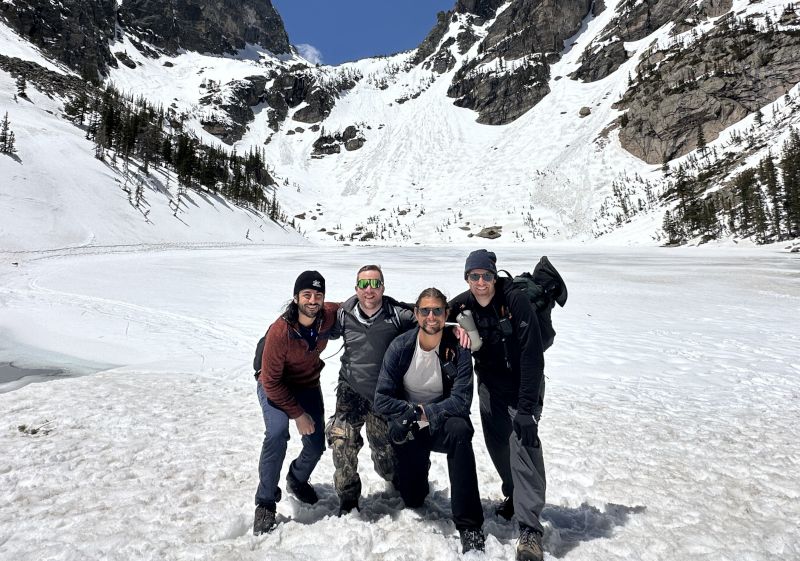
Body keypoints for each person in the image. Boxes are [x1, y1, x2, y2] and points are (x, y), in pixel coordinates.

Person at [449, 250, 547, 561]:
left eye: (486, 276)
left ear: (495, 276)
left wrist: (528, 408)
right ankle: (515, 494)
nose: (481, 282)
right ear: (467, 278)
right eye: (474, 276)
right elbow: (430, 313)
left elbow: (532, 353)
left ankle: (530, 529)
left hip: (522, 384)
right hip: (490, 386)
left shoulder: (513, 300)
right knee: (497, 445)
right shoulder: (462, 303)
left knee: (523, 446)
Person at [374, 288, 485, 553]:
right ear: (416, 314)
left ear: (446, 314)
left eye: (437, 310)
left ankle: (469, 525)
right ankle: (415, 477)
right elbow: (382, 398)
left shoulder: (459, 347)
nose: (431, 316)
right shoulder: (401, 347)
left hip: (441, 421)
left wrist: (424, 413)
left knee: (461, 431)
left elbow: (461, 401)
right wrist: (410, 413)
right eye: (425, 310)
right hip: (409, 425)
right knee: (413, 499)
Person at [253, 270, 339, 535]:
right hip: (274, 384)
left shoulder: (328, 315)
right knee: (277, 433)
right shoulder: (281, 332)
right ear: (295, 298)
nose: (313, 300)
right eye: (306, 295)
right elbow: (271, 383)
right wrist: (298, 414)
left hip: (307, 384)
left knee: (315, 444)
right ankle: (265, 502)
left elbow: (363, 303)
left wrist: (418, 311)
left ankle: (297, 478)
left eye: (318, 295)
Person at [326, 265, 417, 515]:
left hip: (384, 392)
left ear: (383, 288)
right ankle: (348, 497)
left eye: (375, 284)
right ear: (356, 289)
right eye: (364, 285)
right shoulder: (344, 314)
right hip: (351, 389)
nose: (369, 290)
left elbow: (431, 323)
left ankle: (393, 477)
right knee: (341, 438)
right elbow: (313, 325)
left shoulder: (399, 315)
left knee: (384, 449)